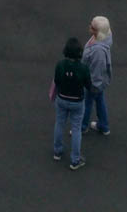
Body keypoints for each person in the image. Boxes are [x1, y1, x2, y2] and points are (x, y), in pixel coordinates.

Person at [51, 37, 90, 169]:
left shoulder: (60, 65)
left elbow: (56, 80)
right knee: (76, 129)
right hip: (77, 102)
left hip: (61, 98)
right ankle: (75, 159)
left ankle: (57, 151)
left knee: (59, 123)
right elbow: (88, 85)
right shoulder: (83, 68)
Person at [82, 15, 113, 135]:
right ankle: (104, 126)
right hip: (99, 81)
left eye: (92, 27)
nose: (89, 26)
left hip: (94, 82)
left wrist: (93, 85)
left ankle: (82, 127)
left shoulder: (98, 51)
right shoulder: (103, 36)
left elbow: (97, 71)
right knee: (100, 100)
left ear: (98, 32)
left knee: (87, 103)